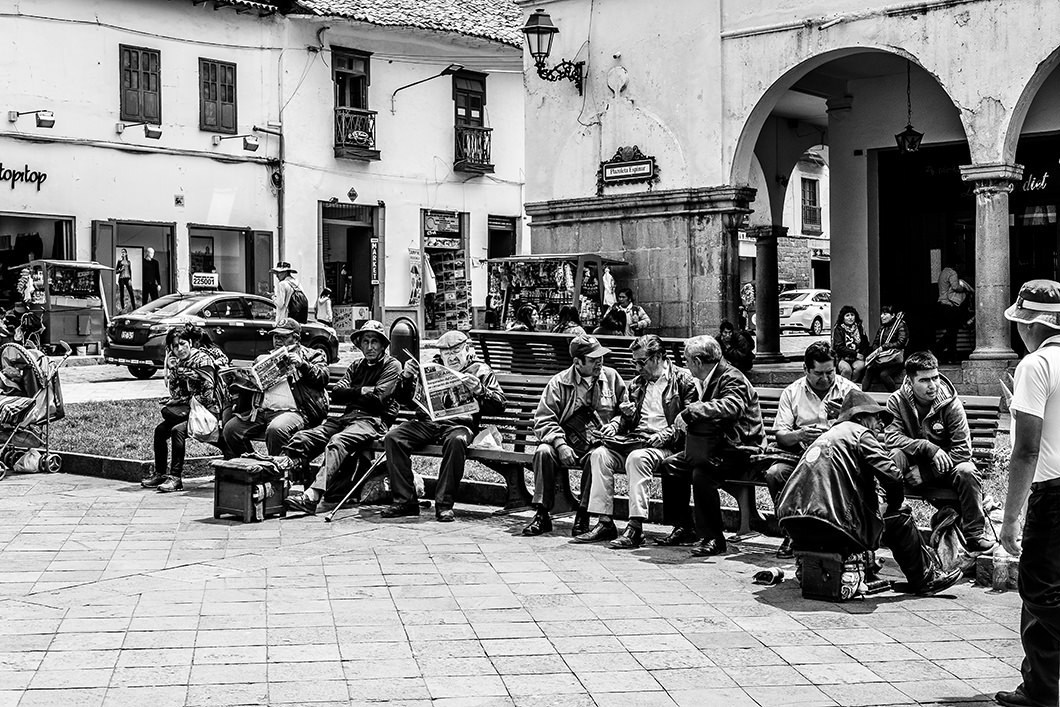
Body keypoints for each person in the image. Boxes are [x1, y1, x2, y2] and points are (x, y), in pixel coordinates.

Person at [776, 389, 963, 596]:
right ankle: (926, 579)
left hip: (793, 526)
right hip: (830, 524)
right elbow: (892, 475)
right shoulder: (859, 433)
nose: (881, 425)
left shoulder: (826, 436)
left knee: (875, 513)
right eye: (876, 418)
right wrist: (893, 504)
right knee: (899, 516)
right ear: (860, 417)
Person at [995, 280, 1060, 707]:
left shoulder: (1036, 365)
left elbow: (1026, 449)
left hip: (1053, 495)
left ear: (1031, 325)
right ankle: (1040, 687)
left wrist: (1010, 516)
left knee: (1039, 590)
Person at [577, 335, 697, 548]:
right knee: (599, 455)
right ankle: (604, 522)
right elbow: (626, 419)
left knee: (637, 458)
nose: (637, 367)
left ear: (658, 357)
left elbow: (690, 420)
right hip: (637, 440)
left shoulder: (683, 380)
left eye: (642, 362)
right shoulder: (637, 384)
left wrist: (664, 436)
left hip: (667, 445)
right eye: (635, 362)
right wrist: (617, 422)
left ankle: (635, 527)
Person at [655, 335, 764, 555]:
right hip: (714, 447)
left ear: (696, 361)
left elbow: (731, 406)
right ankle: (684, 527)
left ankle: (714, 538)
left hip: (741, 449)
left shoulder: (733, 377)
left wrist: (692, 412)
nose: (685, 365)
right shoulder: (705, 379)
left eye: (686, 360)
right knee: (670, 465)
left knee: (702, 474)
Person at [382, 330, 506, 521]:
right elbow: (404, 400)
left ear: (467, 349)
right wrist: (406, 377)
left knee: (457, 441)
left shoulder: (481, 370)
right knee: (393, 438)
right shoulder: (432, 368)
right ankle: (405, 501)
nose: (451, 357)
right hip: (427, 422)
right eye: (446, 353)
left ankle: (444, 504)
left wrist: (480, 391)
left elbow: (500, 405)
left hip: (459, 424)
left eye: (456, 351)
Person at [280, 321, 401, 516]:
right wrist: (363, 390)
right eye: (365, 342)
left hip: (371, 421)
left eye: (374, 342)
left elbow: (379, 398)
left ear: (382, 345)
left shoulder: (392, 365)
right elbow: (336, 393)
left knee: (337, 442)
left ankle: (312, 496)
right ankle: (292, 488)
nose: (369, 347)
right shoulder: (356, 365)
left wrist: (353, 392)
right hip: (346, 419)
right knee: (302, 438)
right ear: (359, 345)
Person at [884, 350, 994, 553]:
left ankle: (974, 535)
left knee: (967, 471)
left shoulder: (951, 403)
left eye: (935, 377)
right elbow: (892, 437)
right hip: (909, 468)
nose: (933, 385)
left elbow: (962, 451)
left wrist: (926, 472)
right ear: (910, 380)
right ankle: (887, 523)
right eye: (925, 380)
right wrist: (927, 447)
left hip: (944, 470)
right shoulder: (897, 401)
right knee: (894, 456)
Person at [521, 334, 627, 537]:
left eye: (601, 358)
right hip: (566, 439)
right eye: (594, 359)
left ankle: (583, 513)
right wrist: (560, 444)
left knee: (597, 456)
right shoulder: (559, 383)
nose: (599, 363)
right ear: (577, 362)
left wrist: (615, 423)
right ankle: (542, 514)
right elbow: (543, 419)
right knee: (543, 452)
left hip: (598, 443)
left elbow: (625, 410)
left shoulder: (612, 377)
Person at [763, 342, 858, 558]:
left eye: (830, 372)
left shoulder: (850, 391)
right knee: (775, 473)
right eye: (818, 373)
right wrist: (800, 435)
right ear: (806, 369)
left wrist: (843, 417)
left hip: (838, 459)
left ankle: (836, 533)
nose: (825, 379)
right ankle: (791, 532)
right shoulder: (793, 392)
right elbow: (781, 435)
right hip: (801, 456)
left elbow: (864, 433)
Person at [222, 318, 330, 456]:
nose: (277, 340)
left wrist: (303, 365)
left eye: (283, 337)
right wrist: (239, 382)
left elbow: (323, 377)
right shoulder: (263, 359)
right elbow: (251, 386)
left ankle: (278, 472)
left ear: (296, 338)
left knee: (276, 429)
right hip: (261, 411)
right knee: (231, 430)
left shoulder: (312, 355)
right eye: (275, 336)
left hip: (295, 412)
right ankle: (253, 465)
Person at [141, 325, 221, 493]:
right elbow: (175, 392)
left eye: (183, 344)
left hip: (207, 411)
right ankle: (160, 474)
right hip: (191, 410)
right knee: (160, 430)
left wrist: (183, 398)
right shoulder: (178, 363)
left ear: (190, 342)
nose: (180, 349)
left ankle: (176, 478)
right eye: (175, 346)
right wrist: (173, 370)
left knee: (177, 431)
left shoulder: (203, 360)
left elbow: (208, 395)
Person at [863, 305, 908, 392]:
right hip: (883, 358)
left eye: (885, 314)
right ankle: (863, 393)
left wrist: (884, 347)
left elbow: (901, 342)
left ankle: (896, 395)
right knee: (869, 368)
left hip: (895, 359)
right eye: (881, 314)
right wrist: (876, 350)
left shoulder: (900, 325)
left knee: (884, 375)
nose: (882, 316)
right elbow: (876, 342)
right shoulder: (882, 328)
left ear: (893, 315)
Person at [936, 264, 973, 363]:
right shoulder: (952, 273)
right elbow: (956, 287)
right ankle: (938, 349)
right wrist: (964, 288)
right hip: (951, 305)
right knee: (952, 332)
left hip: (943, 303)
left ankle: (950, 355)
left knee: (951, 332)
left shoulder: (943, 272)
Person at [832, 305, 869, 382]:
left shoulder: (860, 327)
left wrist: (863, 355)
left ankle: (852, 385)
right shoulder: (838, 329)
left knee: (860, 367)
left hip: (857, 358)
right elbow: (839, 347)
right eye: (847, 315)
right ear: (843, 317)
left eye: (852, 315)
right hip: (843, 358)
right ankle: (844, 388)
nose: (850, 317)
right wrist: (855, 354)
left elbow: (865, 344)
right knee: (847, 370)